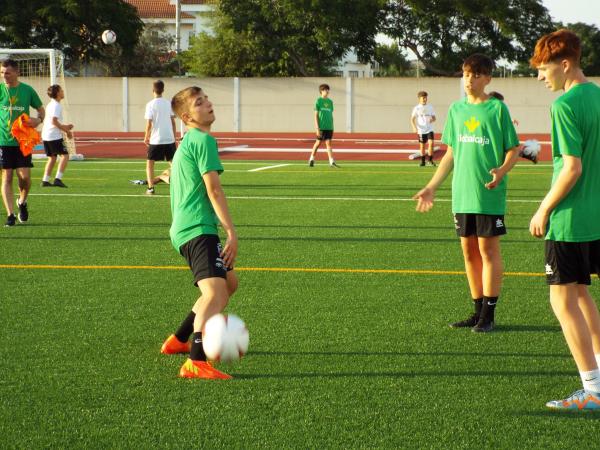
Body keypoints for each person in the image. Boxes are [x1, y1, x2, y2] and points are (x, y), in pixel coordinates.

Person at [413, 54, 520, 333]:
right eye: (465, 74)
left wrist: (502, 170)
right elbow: (451, 153)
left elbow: (513, 148)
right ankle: (476, 311)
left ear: (487, 79)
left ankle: (489, 313)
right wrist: (431, 186)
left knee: (488, 250)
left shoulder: (497, 109)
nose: (469, 80)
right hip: (461, 194)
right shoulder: (457, 110)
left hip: (487, 193)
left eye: (475, 75)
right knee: (468, 251)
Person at [529, 29, 600, 411]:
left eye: (544, 68)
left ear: (565, 64)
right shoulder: (599, 97)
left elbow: (571, 168)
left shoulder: (565, 105)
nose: (541, 76)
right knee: (581, 292)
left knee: (562, 299)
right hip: (597, 217)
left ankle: (592, 390)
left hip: (570, 220)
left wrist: (543, 209)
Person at [160, 86, 239, 379]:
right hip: (198, 229)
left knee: (229, 283)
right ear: (186, 116)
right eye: (199, 102)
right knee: (214, 292)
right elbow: (214, 189)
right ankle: (196, 360)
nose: (208, 104)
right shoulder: (203, 140)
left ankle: (179, 340)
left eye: (206, 99)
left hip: (188, 228)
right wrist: (231, 231)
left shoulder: (188, 142)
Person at [0, 59, 44, 226]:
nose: (5, 76)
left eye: (8, 72)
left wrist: (38, 120)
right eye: (2, 72)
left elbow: (41, 110)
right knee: (7, 176)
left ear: (17, 73)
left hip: (22, 141)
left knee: (24, 177)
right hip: (3, 141)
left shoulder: (27, 91)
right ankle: (10, 215)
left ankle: (22, 202)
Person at [143, 80, 177, 195]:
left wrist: (146, 137)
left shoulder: (150, 105)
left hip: (156, 139)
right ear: (163, 90)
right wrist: (174, 136)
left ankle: (151, 188)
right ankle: (181, 185)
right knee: (174, 164)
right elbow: (173, 122)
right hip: (169, 138)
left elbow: (149, 124)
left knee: (150, 163)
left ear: (153, 90)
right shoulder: (168, 103)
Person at [488, 91, 538, 164]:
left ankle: (526, 154)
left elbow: (500, 119)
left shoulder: (498, 110)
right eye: (500, 102)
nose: (501, 104)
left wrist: (510, 120)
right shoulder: (488, 110)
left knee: (511, 149)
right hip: (491, 137)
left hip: (497, 137)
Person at [41, 85, 73, 188]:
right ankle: (58, 179)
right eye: (61, 90)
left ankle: (45, 181)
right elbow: (54, 121)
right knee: (65, 156)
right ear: (58, 93)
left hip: (46, 135)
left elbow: (53, 121)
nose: (63, 92)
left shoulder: (51, 104)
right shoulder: (56, 106)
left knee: (52, 158)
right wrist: (66, 130)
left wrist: (65, 127)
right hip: (53, 135)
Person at [308, 83, 339, 168]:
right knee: (318, 143)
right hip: (321, 127)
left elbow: (330, 115)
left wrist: (332, 126)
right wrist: (317, 128)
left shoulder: (330, 102)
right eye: (325, 90)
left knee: (328, 143)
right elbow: (316, 115)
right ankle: (311, 159)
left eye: (328, 90)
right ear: (321, 91)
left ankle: (331, 162)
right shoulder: (318, 101)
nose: (327, 91)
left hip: (329, 127)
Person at [410, 91, 436, 166]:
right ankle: (423, 161)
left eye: (426, 97)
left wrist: (432, 119)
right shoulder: (416, 108)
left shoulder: (430, 107)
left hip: (429, 129)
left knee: (431, 144)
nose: (425, 99)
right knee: (422, 146)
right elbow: (412, 119)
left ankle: (430, 160)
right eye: (423, 97)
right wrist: (414, 127)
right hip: (421, 130)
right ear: (419, 98)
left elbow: (434, 118)